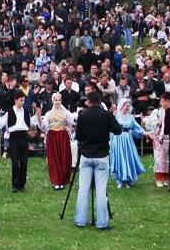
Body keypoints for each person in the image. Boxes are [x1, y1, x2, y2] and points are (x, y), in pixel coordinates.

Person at [74, 90, 124, 229]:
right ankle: (102, 223)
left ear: (88, 102)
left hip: (86, 155)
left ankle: (80, 220)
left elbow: (78, 137)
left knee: (83, 189)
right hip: (102, 155)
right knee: (101, 190)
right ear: (100, 101)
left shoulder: (83, 116)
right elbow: (118, 130)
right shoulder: (106, 115)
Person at [39, 93, 75, 191]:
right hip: (52, 136)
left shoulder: (65, 112)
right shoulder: (48, 113)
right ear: (53, 101)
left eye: (59, 100)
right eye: (56, 100)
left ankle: (62, 180)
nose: (58, 102)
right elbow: (43, 126)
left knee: (63, 157)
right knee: (54, 158)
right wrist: (39, 118)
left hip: (62, 136)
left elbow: (73, 120)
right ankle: (56, 180)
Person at [109, 99, 145, 188]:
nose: (128, 108)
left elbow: (138, 128)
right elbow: (111, 128)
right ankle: (120, 180)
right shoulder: (116, 116)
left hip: (128, 139)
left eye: (129, 106)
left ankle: (128, 179)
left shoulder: (130, 117)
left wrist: (148, 133)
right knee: (119, 157)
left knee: (128, 157)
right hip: (118, 139)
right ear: (122, 106)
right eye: (127, 106)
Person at [5, 89, 34, 193]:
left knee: (24, 161)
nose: (22, 102)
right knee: (15, 161)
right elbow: (3, 124)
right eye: (21, 100)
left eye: (23, 100)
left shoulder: (26, 112)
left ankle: (22, 183)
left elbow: (31, 122)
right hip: (14, 137)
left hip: (23, 137)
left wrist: (38, 116)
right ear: (15, 100)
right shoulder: (9, 112)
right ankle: (15, 184)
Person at [142, 106, 170, 188]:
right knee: (159, 158)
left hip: (168, 137)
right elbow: (149, 124)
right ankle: (159, 178)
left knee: (167, 158)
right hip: (158, 137)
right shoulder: (156, 112)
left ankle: (166, 178)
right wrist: (158, 123)